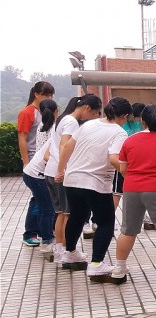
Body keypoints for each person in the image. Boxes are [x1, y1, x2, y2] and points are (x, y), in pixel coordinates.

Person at [55, 97, 131, 274]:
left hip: (72, 179)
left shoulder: (88, 125)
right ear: (125, 116)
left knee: (77, 216)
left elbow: (67, 147)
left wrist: (60, 170)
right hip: (95, 182)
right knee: (106, 222)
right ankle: (96, 263)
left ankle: (70, 253)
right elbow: (114, 158)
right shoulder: (119, 133)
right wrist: (130, 175)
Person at [111, 105, 156, 280]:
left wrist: (135, 179)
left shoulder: (129, 141)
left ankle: (119, 268)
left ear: (142, 121)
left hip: (131, 188)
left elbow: (123, 169)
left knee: (128, 230)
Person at [44, 95, 103, 261]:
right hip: (61, 172)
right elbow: (65, 145)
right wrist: (64, 169)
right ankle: (67, 251)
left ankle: (59, 249)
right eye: (94, 113)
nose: (92, 118)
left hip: (51, 170)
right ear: (87, 108)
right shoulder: (71, 122)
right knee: (68, 214)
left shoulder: (62, 119)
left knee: (61, 213)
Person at [18, 80, 55, 247]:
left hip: (44, 162)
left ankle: (40, 230)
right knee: (38, 200)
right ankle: (31, 232)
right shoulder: (27, 112)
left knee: (40, 199)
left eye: (51, 95)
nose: (49, 97)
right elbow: (22, 138)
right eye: (46, 94)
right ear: (36, 94)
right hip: (35, 161)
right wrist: (26, 161)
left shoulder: (44, 110)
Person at [21, 101, 60, 254]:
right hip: (37, 173)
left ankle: (33, 233)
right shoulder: (54, 130)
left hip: (35, 171)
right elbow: (47, 155)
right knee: (47, 208)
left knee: (40, 203)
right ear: (56, 111)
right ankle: (46, 240)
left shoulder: (43, 126)